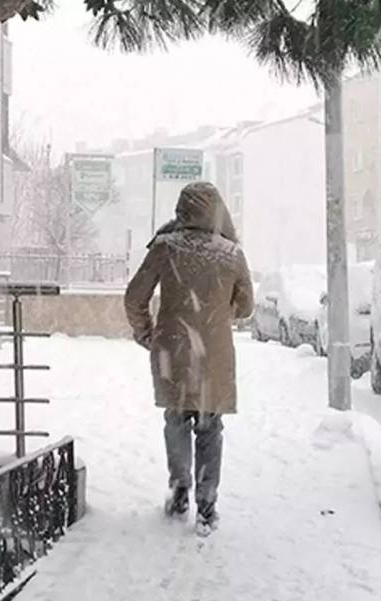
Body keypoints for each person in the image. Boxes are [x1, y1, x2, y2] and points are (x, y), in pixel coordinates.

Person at [124, 182, 253, 534]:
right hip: (214, 356)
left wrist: (147, 333)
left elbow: (134, 297)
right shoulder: (230, 254)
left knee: (177, 420)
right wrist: (216, 309)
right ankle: (207, 503)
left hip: (174, 352)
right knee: (210, 427)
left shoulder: (165, 247)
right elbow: (245, 307)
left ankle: (180, 488)